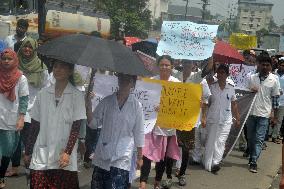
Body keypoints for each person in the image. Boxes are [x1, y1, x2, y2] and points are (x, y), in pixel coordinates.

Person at [24, 60, 86, 188]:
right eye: (56, 66)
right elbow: (35, 125)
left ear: (70, 71)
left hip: (63, 153)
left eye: (62, 67)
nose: (57, 70)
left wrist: (67, 152)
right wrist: (28, 151)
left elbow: (76, 127)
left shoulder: (77, 96)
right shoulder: (43, 94)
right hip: (42, 151)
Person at [89, 73, 144, 189]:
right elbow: (93, 124)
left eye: (128, 80)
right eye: (122, 78)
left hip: (122, 157)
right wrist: (87, 104)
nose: (124, 82)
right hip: (102, 155)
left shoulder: (136, 106)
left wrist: (140, 157)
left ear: (133, 83)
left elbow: (139, 133)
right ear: (118, 80)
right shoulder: (107, 101)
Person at [4, 37, 50, 177]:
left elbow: (46, 88)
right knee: (14, 140)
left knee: (30, 140)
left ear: (35, 49)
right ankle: (15, 167)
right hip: (15, 107)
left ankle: (31, 167)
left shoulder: (41, 67)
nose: (27, 49)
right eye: (25, 46)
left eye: (30, 47)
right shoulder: (14, 64)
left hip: (33, 109)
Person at [140, 55, 181, 189]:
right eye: (162, 64)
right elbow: (143, 99)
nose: (164, 67)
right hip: (150, 124)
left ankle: (157, 181)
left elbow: (181, 105)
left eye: (167, 65)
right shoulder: (151, 81)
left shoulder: (177, 84)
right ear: (158, 66)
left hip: (167, 127)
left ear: (172, 67)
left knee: (162, 157)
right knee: (146, 154)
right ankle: (143, 181)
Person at [176, 59, 213, 186]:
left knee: (186, 147)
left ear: (194, 65)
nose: (187, 65)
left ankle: (182, 173)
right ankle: (174, 169)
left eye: (189, 63)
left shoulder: (198, 79)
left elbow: (206, 98)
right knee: (174, 145)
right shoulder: (175, 76)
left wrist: (203, 116)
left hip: (190, 118)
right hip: (174, 116)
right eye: (185, 62)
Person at [0, 49, 29, 188]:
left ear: (15, 60)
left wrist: (21, 118)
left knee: (7, 150)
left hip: (11, 118)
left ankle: (1, 177)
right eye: (3, 58)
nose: (6, 61)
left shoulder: (21, 78)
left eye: (9, 59)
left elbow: (24, 99)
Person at [203, 64, 240, 174]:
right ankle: (207, 163)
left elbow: (234, 104)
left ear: (227, 75)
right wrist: (203, 117)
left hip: (226, 120)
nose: (220, 74)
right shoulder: (212, 87)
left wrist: (237, 118)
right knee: (211, 141)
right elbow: (206, 103)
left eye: (223, 72)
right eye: (218, 72)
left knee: (221, 142)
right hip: (212, 118)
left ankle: (215, 163)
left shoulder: (231, 87)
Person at [246, 55, 280, 173]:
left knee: (259, 139)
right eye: (263, 64)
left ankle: (254, 161)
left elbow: (275, 100)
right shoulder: (251, 77)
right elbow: (245, 94)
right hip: (251, 112)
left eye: (267, 65)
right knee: (250, 137)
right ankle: (251, 154)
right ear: (258, 65)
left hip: (264, 114)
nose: (265, 67)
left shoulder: (274, 80)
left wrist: (275, 116)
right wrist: (250, 90)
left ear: (270, 67)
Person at [269, 58, 284, 144]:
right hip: (273, 99)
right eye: (281, 65)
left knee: (279, 119)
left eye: (283, 65)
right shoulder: (273, 74)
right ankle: (268, 134)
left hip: (282, 100)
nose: (282, 66)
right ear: (278, 65)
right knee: (271, 118)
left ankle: (275, 135)